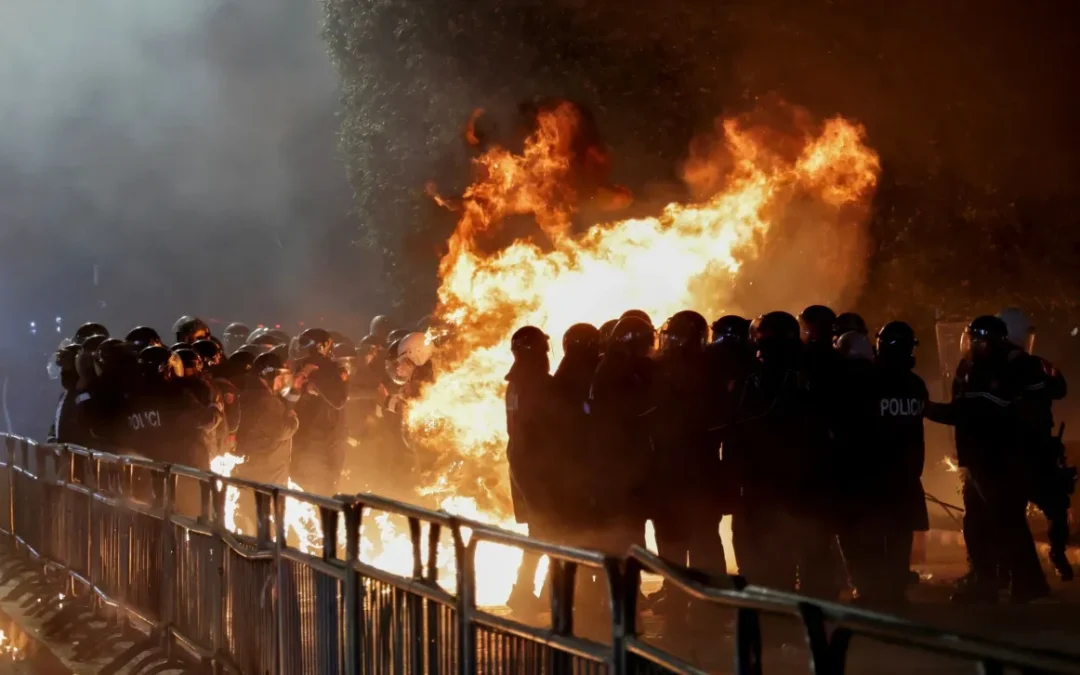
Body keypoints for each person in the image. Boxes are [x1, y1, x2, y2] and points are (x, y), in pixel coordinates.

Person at [926, 316, 1049, 603]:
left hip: (997, 458)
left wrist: (928, 410)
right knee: (979, 521)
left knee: (1005, 519)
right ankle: (987, 578)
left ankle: (1026, 580)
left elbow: (970, 412)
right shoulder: (979, 366)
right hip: (981, 457)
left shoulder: (1002, 368)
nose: (970, 344)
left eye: (975, 340)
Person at [724, 311, 837, 597]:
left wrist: (732, 474)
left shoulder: (754, 377)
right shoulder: (819, 369)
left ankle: (774, 605)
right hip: (809, 479)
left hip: (763, 482)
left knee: (765, 553)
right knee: (812, 550)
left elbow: (736, 427)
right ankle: (818, 609)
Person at [839, 322, 929, 605]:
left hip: (871, 477)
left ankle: (869, 591)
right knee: (899, 537)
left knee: (867, 536)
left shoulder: (866, 381)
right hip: (906, 476)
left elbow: (850, 426)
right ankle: (895, 591)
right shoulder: (915, 384)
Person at [648, 311, 726, 612]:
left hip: (676, 469)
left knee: (678, 538)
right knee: (701, 537)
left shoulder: (667, 370)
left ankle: (683, 597)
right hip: (700, 469)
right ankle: (707, 601)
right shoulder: (712, 367)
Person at [997, 308, 1073, 581]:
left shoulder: (1033, 364)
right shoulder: (997, 366)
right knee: (1012, 512)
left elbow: (1059, 389)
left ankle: (1055, 552)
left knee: (1055, 505)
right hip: (1014, 450)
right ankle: (1008, 567)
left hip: (1035, 449)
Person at [504, 326, 566, 612]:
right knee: (554, 533)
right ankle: (547, 595)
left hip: (522, 465)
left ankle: (525, 591)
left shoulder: (516, 381)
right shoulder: (538, 384)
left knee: (539, 534)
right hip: (539, 469)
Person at [587, 316, 656, 556]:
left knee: (623, 533)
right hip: (621, 466)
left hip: (614, 465)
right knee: (627, 535)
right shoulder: (620, 371)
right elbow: (636, 413)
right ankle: (628, 592)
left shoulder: (611, 365)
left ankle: (624, 590)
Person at [287, 328, 349, 496]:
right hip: (307, 443)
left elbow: (339, 399)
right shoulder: (299, 368)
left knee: (321, 495)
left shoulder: (330, 370)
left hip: (322, 444)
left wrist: (314, 379)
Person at [236, 353, 299, 488]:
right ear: (268, 375)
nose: (282, 382)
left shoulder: (249, 395)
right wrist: (293, 420)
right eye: (280, 377)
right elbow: (280, 431)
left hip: (253, 471)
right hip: (268, 475)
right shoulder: (266, 402)